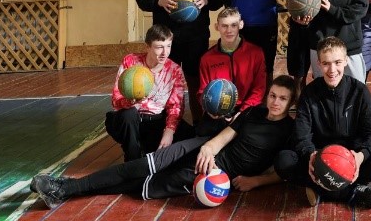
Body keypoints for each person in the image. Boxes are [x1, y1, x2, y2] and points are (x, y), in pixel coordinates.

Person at [30, 76, 296, 209]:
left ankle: (66, 192)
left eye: (282, 98)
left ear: (291, 102)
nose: (275, 102)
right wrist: (208, 147)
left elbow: (287, 169)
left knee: (138, 186)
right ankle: (65, 187)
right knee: (138, 167)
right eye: (273, 95)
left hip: (215, 174)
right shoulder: (254, 113)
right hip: (202, 148)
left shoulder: (288, 130)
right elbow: (227, 135)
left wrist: (256, 181)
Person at [274, 37, 371, 209]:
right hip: (319, 157)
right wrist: (311, 156)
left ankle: (321, 190)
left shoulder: (360, 91)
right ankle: (352, 192)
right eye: (326, 63)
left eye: (337, 62)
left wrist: (360, 157)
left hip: (352, 157)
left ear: (346, 61)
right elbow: (301, 135)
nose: (332, 70)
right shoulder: (309, 93)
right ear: (318, 64)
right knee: (284, 160)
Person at [136, 0, 222, 122]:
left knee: (195, 82)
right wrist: (159, 1)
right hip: (166, 39)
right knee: (165, 82)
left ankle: (199, 124)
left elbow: (218, 0)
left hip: (196, 36)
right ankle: (166, 125)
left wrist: (206, 0)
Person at [105, 25, 194, 162]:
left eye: (168, 46)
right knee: (128, 115)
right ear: (147, 47)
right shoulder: (131, 61)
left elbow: (176, 107)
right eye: (159, 47)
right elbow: (116, 99)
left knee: (190, 137)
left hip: (156, 120)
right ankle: (132, 158)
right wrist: (131, 101)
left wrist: (169, 131)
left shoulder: (175, 70)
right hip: (131, 121)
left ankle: (147, 148)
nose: (165, 52)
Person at [196, 8, 266, 137]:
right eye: (224, 26)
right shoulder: (207, 58)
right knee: (202, 134)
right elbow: (202, 92)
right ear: (217, 27)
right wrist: (210, 109)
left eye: (233, 25)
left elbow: (259, 89)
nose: (229, 30)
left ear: (241, 25)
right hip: (218, 110)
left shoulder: (256, 53)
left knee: (252, 137)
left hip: (248, 108)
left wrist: (241, 113)